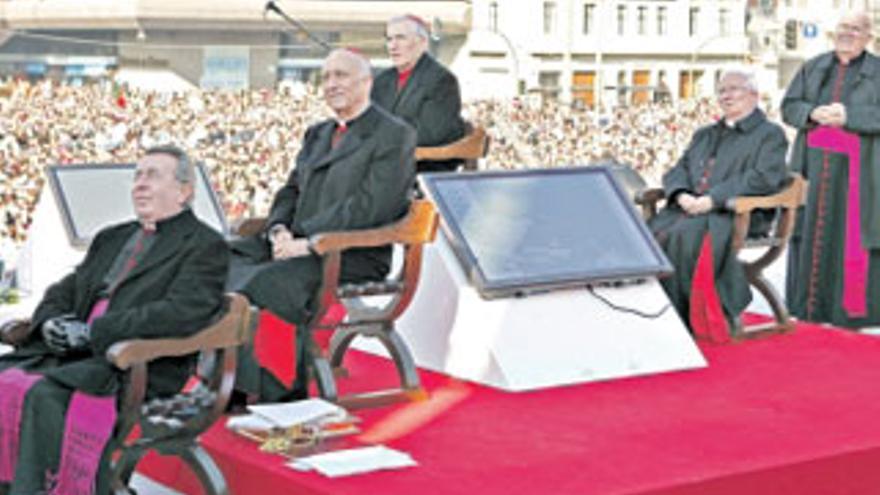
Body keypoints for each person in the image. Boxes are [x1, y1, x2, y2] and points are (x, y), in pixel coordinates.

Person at [0, 145, 228, 495]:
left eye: (152, 175)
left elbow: (182, 312)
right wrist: (50, 323)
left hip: (136, 365)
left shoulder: (204, 244)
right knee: (5, 377)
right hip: (76, 353)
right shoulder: (113, 236)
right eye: (137, 175)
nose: (139, 184)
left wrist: (94, 333)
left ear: (184, 191)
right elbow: (67, 287)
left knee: (46, 396)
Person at [228, 49, 416, 402]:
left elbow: (372, 207)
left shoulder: (394, 135)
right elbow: (291, 189)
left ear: (366, 82)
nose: (331, 84)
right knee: (216, 258)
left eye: (341, 76)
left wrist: (308, 242)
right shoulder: (317, 133)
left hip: (351, 254)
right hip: (296, 244)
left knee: (263, 281)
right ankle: (232, 380)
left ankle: (275, 390)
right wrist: (279, 229)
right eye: (326, 77)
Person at [649, 69, 788, 342]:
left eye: (733, 89)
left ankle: (681, 320)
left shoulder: (770, 134)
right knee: (646, 233)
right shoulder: (705, 134)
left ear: (754, 95)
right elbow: (679, 169)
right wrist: (680, 195)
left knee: (684, 237)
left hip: (738, 213)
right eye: (722, 90)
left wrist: (713, 199)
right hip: (690, 210)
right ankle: (653, 314)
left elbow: (763, 177)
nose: (726, 95)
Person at [782, 11, 880, 330]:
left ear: (869, 36)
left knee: (853, 240)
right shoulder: (814, 67)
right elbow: (789, 106)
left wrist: (849, 115)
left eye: (856, 29)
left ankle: (850, 314)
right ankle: (809, 308)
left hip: (859, 174)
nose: (847, 34)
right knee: (810, 234)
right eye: (843, 28)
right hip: (813, 169)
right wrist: (812, 112)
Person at [371, 15, 466, 173]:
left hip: (423, 169)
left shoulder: (441, 80)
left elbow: (431, 134)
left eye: (400, 38)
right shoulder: (381, 81)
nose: (393, 46)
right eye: (389, 39)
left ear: (422, 42)